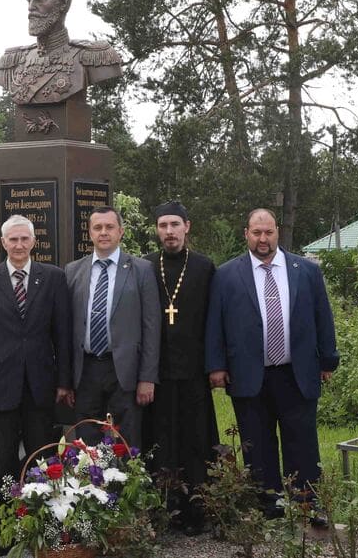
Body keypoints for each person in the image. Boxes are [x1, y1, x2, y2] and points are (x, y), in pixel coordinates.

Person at [205, 209, 338, 521]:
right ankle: (268, 504)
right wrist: (216, 366)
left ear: (276, 232)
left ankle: (307, 503)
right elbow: (215, 325)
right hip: (249, 374)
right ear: (246, 234)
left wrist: (328, 359)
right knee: (258, 442)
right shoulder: (226, 275)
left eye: (268, 233)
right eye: (256, 233)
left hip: (297, 372)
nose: (262, 239)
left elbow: (323, 317)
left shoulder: (306, 270)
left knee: (302, 440)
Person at [0, 215, 72, 496]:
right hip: (0, 385)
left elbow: (62, 335)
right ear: (3, 242)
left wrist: (64, 382)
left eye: (24, 239)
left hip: (40, 384)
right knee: (5, 459)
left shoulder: (53, 278)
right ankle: (5, 523)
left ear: (34, 242)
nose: (18, 245)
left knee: (41, 458)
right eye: (13, 239)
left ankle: (39, 522)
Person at [144, 201, 219, 535]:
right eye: (163, 225)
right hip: (157, 374)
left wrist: (215, 366)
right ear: (156, 229)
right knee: (161, 440)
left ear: (187, 226)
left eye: (175, 224)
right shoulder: (146, 266)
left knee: (195, 441)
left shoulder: (204, 268)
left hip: (193, 373)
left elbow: (215, 322)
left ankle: (198, 510)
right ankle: (164, 510)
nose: (169, 231)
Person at [65, 206, 160, 448]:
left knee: (125, 444)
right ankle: (90, 486)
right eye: (98, 227)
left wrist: (147, 377)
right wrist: (66, 379)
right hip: (86, 371)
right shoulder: (73, 271)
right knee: (86, 445)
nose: (103, 232)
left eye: (109, 227)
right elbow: (66, 330)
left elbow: (151, 326)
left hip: (124, 372)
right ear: (90, 233)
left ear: (121, 232)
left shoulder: (141, 270)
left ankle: (127, 486)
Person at [0, 0, 122, 105]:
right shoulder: (13, 62)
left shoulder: (92, 56)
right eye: (29, 0)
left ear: (63, 4)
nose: (31, 7)